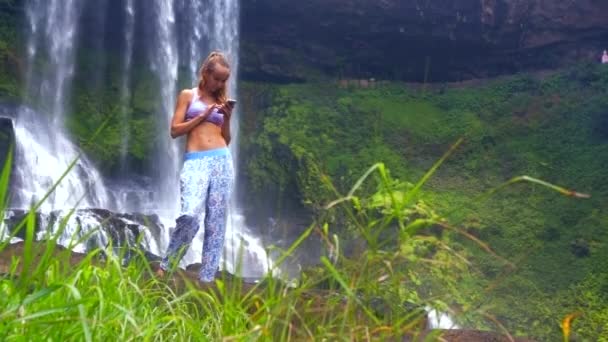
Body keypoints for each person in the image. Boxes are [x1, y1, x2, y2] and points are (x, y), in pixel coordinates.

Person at [156, 51, 235, 283]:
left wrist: (227, 118)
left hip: (222, 160)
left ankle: (207, 278)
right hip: (196, 161)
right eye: (217, 79)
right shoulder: (188, 95)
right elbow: (175, 130)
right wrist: (203, 116)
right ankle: (167, 265)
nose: (220, 84)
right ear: (205, 73)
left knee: (216, 222)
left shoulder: (221, 101)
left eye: (224, 80)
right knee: (190, 215)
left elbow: (226, 139)